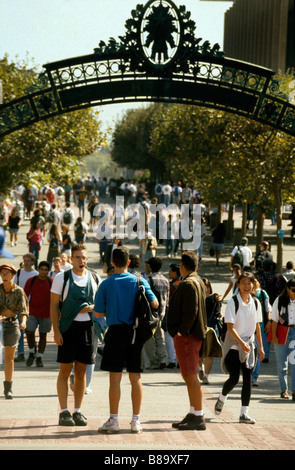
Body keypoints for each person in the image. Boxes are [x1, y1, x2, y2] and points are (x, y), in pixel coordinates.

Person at [94, 245, 158, 434]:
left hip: (114, 333)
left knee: (115, 378)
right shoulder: (139, 280)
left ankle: (113, 421)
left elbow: (98, 312)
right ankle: (135, 421)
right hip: (135, 333)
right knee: (135, 377)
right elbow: (154, 303)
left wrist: (113, 308)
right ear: (129, 262)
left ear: (111, 263)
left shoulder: (106, 284)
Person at [50, 243, 99, 426]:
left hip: (87, 328)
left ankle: (77, 411)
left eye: (84, 257)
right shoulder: (62, 278)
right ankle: (64, 412)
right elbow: (54, 306)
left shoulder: (94, 277)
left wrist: (92, 308)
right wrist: (56, 331)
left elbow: (101, 303)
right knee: (65, 370)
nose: (82, 261)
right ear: (71, 259)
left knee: (81, 372)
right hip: (67, 328)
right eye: (78, 257)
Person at [214, 272, 265, 424]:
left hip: (249, 345)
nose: (247, 286)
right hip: (233, 346)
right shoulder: (233, 302)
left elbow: (257, 327)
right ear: (238, 285)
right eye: (243, 283)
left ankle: (244, 413)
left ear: (253, 285)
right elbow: (230, 327)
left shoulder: (256, 303)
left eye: (249, 283)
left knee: (248, 379)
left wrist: (261, 348)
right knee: (234, 378)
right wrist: (241, 343)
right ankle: (222, 397)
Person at [167, 251, 207, 431]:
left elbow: (191, 312)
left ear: (182, 266)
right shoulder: (197, 281)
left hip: (188, 337)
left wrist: (181, 332)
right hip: (192, 335)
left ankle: (198, 416)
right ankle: (193, 412)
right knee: (189, 375)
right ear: (196, 266)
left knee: (191, 376)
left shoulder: (189, 283)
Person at [0, 264, 29, 399]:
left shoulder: (18, 291)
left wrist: (23, 322)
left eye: (7, 274)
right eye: (2, 274)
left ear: (13, 275)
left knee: (9, 358)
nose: (4, 276)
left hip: (12, 325)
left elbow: (24, 310)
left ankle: (8, 388)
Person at [269, 278, 295, 400]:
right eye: (294, 290)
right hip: (282, 332)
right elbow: (274, 320)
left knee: (294, 363)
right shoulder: (279, 301)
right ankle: (284, 390)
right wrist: (274, 336)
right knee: (282, 364)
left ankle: (294, 390)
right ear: (288, 289)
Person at [24, 261, 52, 368]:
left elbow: (55, 298)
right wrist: (24, 310)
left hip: (46, 313)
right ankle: (32, 352)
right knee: (29, 332)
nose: (43, 272)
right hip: (32, 312)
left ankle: (39, 357)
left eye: (45, 270)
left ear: (48, 271)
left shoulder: (51, 282)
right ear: (38, 269)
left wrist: (57, 313)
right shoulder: (31, 281)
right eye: (41, 269)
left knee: (43, 335)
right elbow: (25, 297)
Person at [143, 257, 169, 369]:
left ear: (150, 267)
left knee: (149, 338)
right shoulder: (165, 280)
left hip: (151, 314)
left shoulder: (148, 280)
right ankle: (163, 359)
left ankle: (154, 361)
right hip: (162, 313)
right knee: (160, 336)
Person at [13, 253, 38, 362]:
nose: (26, 263)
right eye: (25, 261)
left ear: (32, 262)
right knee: (20, 330)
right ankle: (21, 353)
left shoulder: (36, 274)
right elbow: (14, 287)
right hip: (19, 305)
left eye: (29, 261)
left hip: (31, 306)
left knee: (30, 331)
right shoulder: (18, 273)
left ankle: (33, 349)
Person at [198, 278, 222, 385]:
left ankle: (206, 376)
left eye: (207, 287)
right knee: (200, 354)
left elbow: (216, 313)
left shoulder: (215, 298)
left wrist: (215, 301)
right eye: (203, 287)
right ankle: (200, 367)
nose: (206, 289)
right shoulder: (197, 299)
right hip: (199, 329)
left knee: (209, 354)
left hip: (211, 329)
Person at [252, 278, 272, 385]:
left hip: (260, 326)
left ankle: (254, 376)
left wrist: (268, 321)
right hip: (248, 328)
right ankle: (249, 374)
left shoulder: (263, 294)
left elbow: (268, 308)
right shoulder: (246, 295)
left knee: (259, 351)